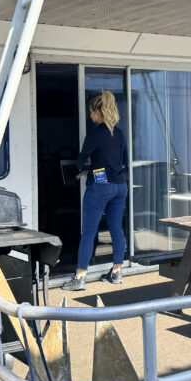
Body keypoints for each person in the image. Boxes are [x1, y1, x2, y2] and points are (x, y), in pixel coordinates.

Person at [65, 91, 128, 292]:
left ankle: (80, 276)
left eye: (91, 112)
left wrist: (86, 165)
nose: (90, 116)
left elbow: (81, 160)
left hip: (100, 187)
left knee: (89, 232)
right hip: (120, 186)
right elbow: (124, 160)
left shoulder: (95, 133)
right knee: (116, 229)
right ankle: (117, 272)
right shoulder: (119, 133)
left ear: (99, 111)